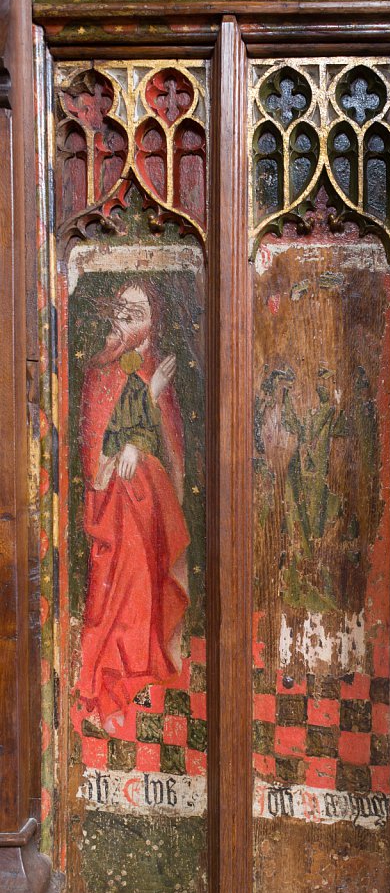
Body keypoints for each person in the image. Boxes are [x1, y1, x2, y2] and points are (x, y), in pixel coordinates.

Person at [75, 281, 190, 735]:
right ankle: (109, 675)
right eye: (120, 307)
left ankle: (138, 666)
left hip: (145, 503)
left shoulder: (152, 366)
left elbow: (166, 440)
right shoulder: (101, 369)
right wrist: (146, 396)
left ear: (151, 320)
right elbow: (99, 440)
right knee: (116, 587)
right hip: (113, 505)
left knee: (142, 582)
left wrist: (140, 444)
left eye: (136, 310)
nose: (125, 316)